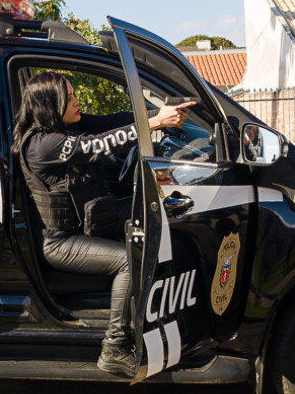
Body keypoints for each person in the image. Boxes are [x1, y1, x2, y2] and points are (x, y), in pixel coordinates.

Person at [12, 72, 193, 376]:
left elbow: (112, 122)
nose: (76, 100)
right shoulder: (43, 144)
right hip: (61, 243)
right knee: (127, 261)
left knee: (153, 211)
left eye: (73, 94)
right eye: (68, 98)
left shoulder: (65, 127)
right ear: (49, 104)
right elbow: (102, 144)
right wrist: (155, 123)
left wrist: (159, 112)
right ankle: (115, 346)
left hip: (89, 223)